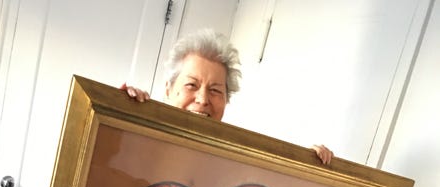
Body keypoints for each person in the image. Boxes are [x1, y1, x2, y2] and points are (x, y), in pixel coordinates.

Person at [120, 28, 333, 164]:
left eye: (215, 90)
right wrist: (120, 109)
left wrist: (306, 164)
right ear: (168, 89)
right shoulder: (137, 139)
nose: (203, 99)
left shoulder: (234, 160)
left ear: (226, 100)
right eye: (191, 85)